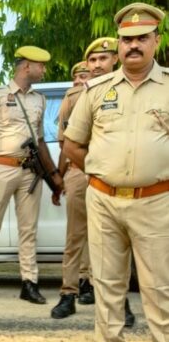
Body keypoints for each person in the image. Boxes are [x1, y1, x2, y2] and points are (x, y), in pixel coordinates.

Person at [63, 3, 169, 342]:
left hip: (157, 200)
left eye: (142, 38)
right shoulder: (96, 90)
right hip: (104, 199)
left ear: (156, 41)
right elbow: (73, 143)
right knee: (107, 281)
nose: (134, 46)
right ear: (120, 45)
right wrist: (100, 171)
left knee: (160, 285)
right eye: (127, 40)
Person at [0, 46, 63, 304]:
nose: (44, 70)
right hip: (2, 168)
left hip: (30, 173)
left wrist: (53, 177)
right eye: (40, 65)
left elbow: (41, 141)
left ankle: (29, 283)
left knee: (28, 230)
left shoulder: (39, 100)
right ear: (26, 67)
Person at [52, 45, 113, 319]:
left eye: (103, 59)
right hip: (80, 169)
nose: (97, 65)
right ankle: (68, 292)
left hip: (114, 176)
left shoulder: (125, 91)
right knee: (76, 235)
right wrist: (63, 174)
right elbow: (65, 140)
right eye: (93, 60)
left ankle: (113, 301)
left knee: (111, 238)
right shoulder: (75, 95)